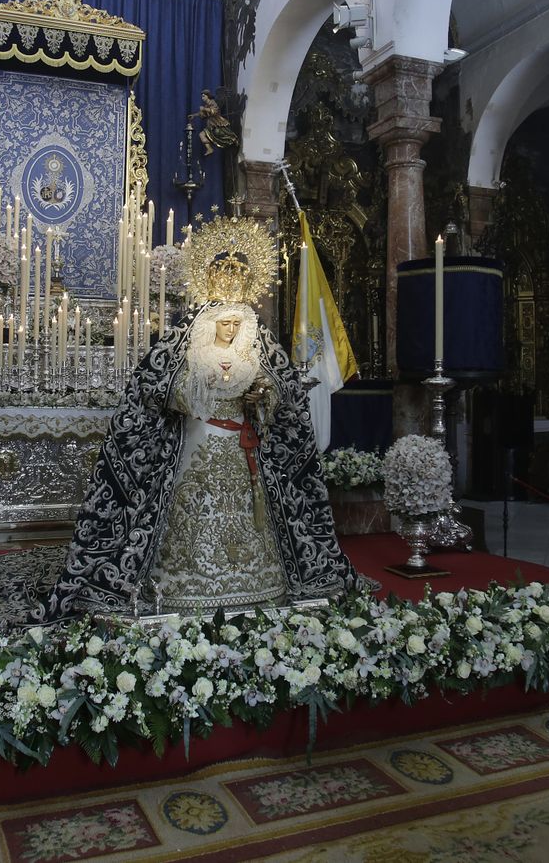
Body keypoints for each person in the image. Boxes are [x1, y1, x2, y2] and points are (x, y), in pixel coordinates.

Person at [36, 217, 362, 620]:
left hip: (243, 448)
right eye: (225, 322)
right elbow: (153, 387)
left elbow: (285, 390)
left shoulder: (257, 347)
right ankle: (179, 583)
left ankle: (257, 582)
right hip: (197, 442)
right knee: (190, 508)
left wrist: (265, 395)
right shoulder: (186, 346)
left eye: (237, 323)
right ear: (211, 321)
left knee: (252, 515)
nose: (231, 329)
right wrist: (187, 391)